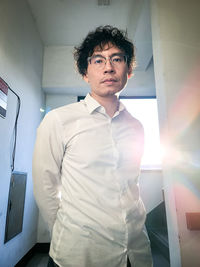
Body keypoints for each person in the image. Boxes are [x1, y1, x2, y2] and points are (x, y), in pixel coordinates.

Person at [32, 25, 153, 267]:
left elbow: (131, 186)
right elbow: (45, 186)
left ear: (128, 71)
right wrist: (66, 231)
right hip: (78, 254)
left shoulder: (136, 126)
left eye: (117, 59)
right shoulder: (59, 120)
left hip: (135, 252)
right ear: (85, 73)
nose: (108, 67)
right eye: (98, 60)